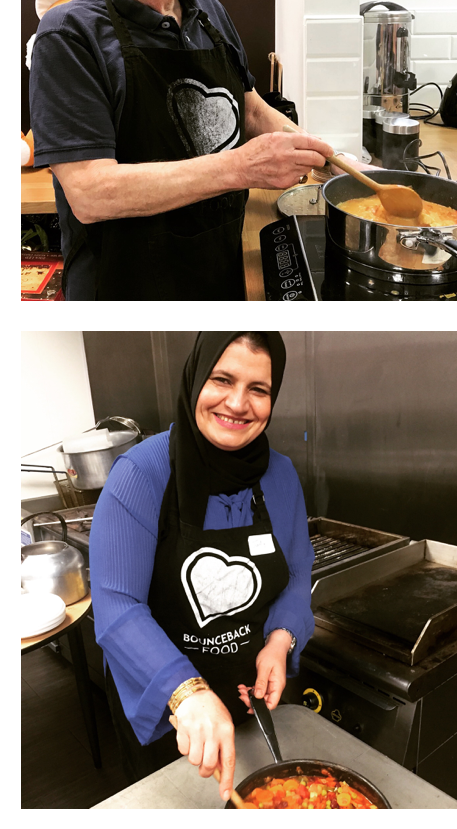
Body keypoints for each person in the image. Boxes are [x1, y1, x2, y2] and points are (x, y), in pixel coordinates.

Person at [28, 0, 335, 300]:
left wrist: (339, 165)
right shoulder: (68, 34)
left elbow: (248, 109)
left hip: (217, 272)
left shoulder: (208, 10)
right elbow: (90, 193)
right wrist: (243, 167)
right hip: (125, 292)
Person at [88, 332, 314, 803]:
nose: (238, 402)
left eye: (259, 389)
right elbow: (116, 605)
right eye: (222, 379)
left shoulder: (282, 475)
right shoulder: (140, 474)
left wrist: (280, 639)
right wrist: (187, 691)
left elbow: (296, 572)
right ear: (195, 379)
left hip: (248, 691)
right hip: (167, 700)